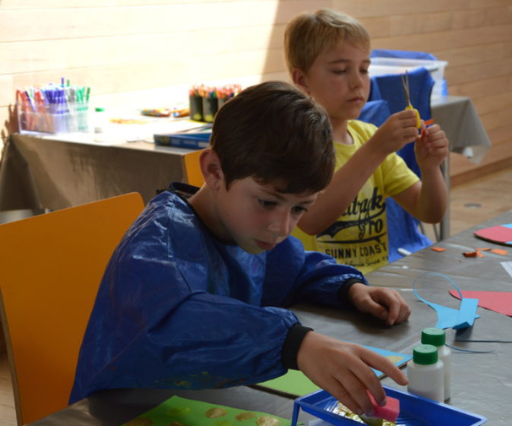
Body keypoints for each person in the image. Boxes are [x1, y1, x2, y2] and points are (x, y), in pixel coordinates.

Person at [70, 81, 411, 416]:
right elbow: (177, 323)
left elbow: (295, 267)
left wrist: (348, 288)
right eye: (267, 201)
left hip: (198, 403)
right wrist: (294, 343)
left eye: (299, 208)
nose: (282, 227)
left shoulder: (247, 229)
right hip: (118, 411)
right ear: (214, 171)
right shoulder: (157, 241)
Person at [284, 8, 449, 274]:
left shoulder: (368, 136)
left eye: (364, 69)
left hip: (373, 285)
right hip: (317, 291)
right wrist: (376, 149)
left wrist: (430, 168)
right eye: (340, 70)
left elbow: (429, 212)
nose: (357, 83)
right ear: (302, 79)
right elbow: (310, 220)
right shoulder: (293, 143)